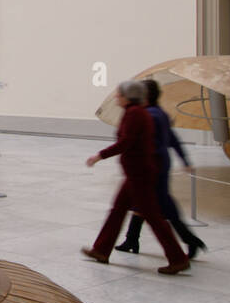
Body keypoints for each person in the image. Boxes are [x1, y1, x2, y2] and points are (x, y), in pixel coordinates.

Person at [82, 80, 189, 275]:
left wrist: (99, 156)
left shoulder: (135, 114)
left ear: (127, 96)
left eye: (118, 94)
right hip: (136, 172)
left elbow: (126, 142)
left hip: (139, 173)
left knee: (153, 216)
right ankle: (101, 250)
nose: (116, 97)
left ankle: (178, 258)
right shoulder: (137, 112)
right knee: (118, 210)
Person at [116, 79, 207, 259]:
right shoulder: (158, 113)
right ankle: (131, 239)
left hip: (152, 166)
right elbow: (172, 139)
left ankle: (190, 241)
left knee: (162, 207)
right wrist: (184, 159)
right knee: (142, 204)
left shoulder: (149, 115)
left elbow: (152, 143)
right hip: (157, 164)